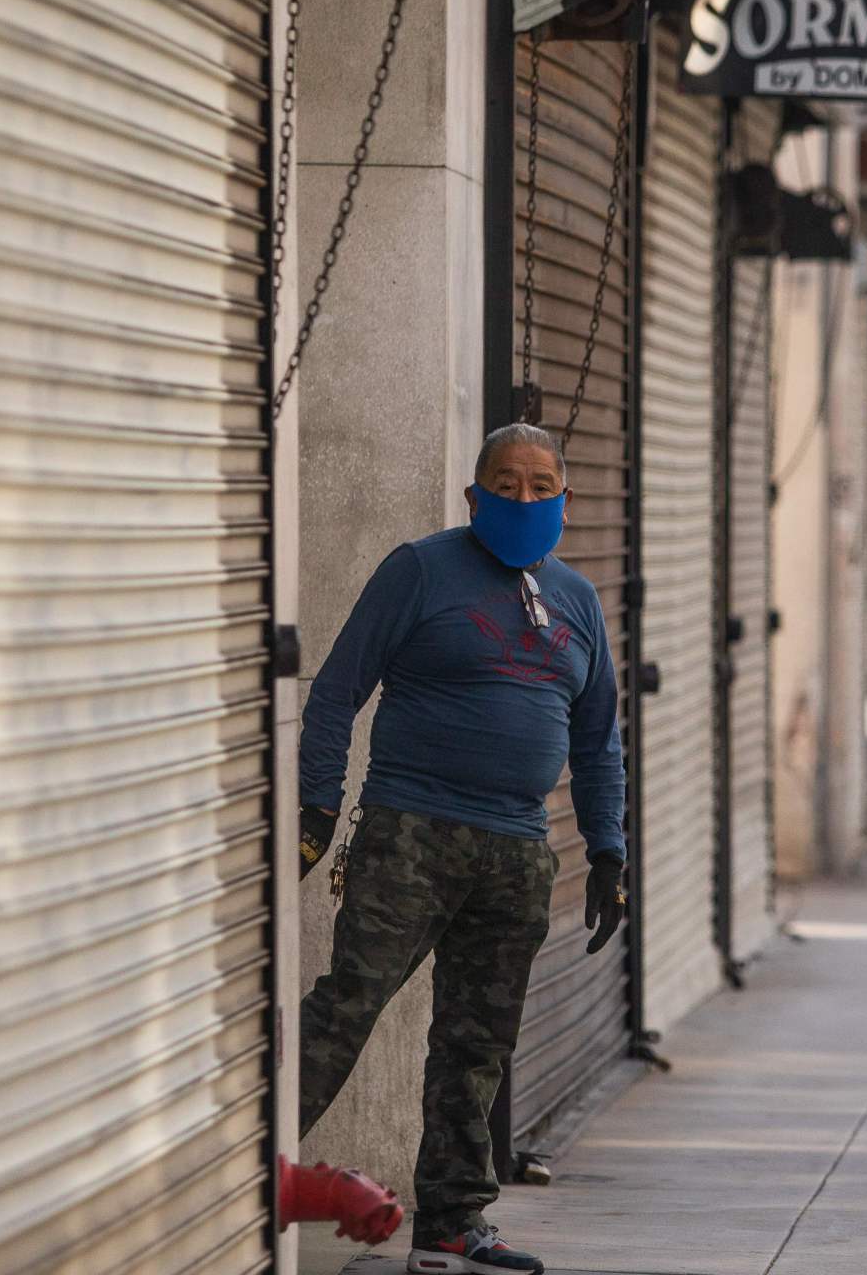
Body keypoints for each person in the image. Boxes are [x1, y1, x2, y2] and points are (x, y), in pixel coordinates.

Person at [296, 423, 629, 1275]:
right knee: (348, 1007)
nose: (523, 498)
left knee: (478, 1042)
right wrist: (317, 805)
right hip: (411, 831)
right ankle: (223, 1170)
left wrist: (609, 852)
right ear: (472, 492)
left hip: (518, 849)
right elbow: (337, 689)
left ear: (564, 496)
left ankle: (452, 1220)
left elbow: (598, 743)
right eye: (505, 483)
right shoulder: (420, 570)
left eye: (540, 483)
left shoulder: (579, 600)